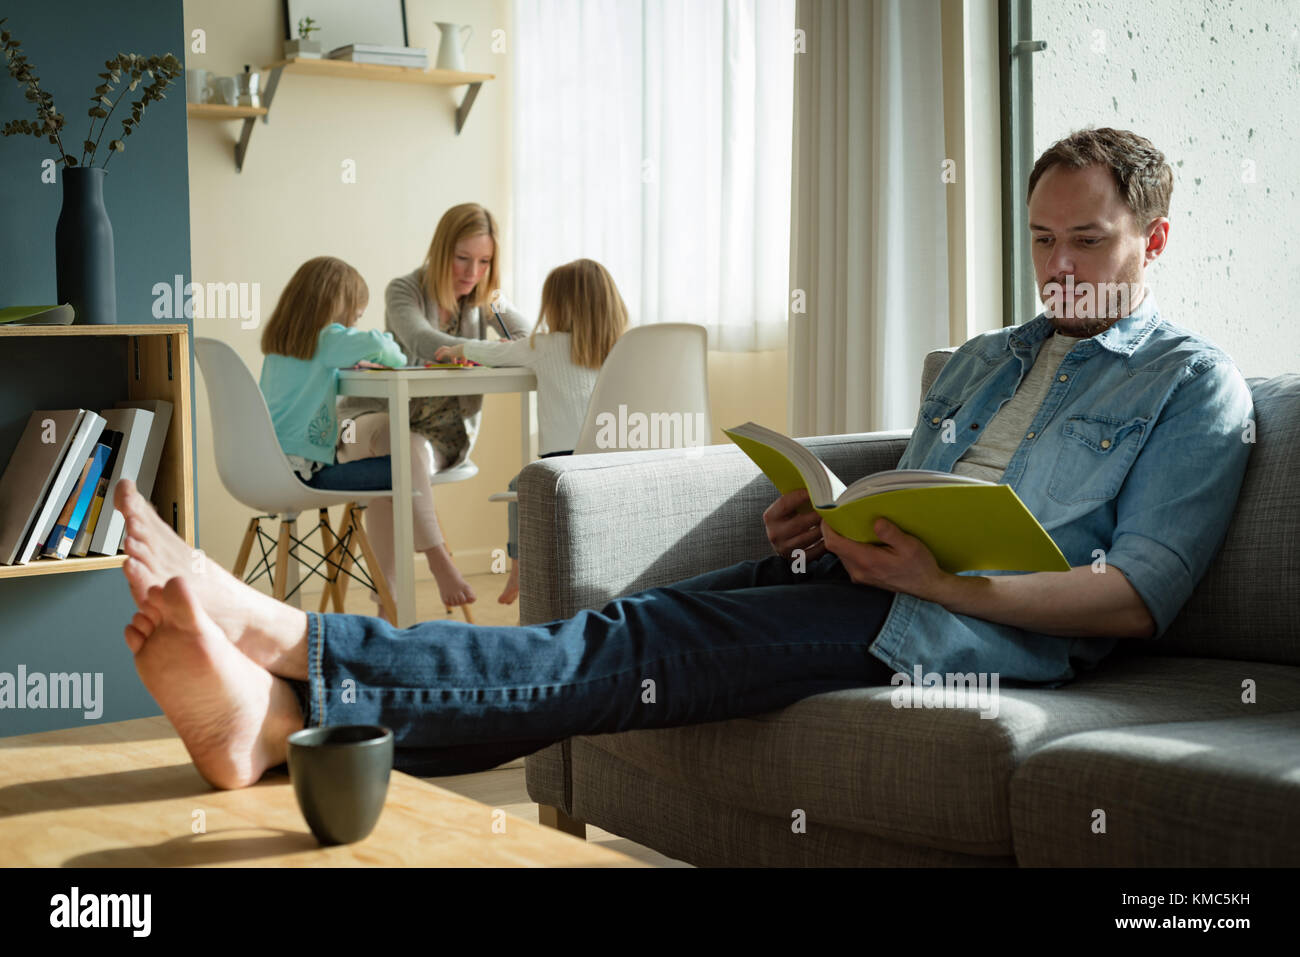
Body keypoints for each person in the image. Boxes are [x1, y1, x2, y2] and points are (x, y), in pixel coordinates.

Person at [119, 127, 1255, 791]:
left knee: (633, 640)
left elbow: (1133, 601)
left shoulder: (1191, 385)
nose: (1056, 267)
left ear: (1153, 238)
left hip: (962, 627)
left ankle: (294, 644)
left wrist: (940, 582)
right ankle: (276, 735)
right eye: (1042, 240)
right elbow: (912, 492)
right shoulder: (983, 358)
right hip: (870, 580)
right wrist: (829, 517)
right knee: (621, 648)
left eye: (1088, 242)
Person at [334, 203, 533, 613]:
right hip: (370, 423)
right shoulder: (404, 289)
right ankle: (439, 560)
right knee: (398, 448)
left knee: (400, 462)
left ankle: (387, 606)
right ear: (442, 252)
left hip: (439, 436)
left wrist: (494, 312)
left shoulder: (485, 298)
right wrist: (476, 350)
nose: (471, 273)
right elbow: (424, 339)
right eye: (463, 259)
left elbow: (528, 340)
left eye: (484, 261)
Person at [257, 257, 452, 626]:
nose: (353, 325)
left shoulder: (280, 345)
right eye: (354, 318)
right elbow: (389, 351)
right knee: (403, 464)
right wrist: (367, 342)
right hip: (306, 475)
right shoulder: (329, 339)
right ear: (339, 307)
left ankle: (388, 592)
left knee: (393, 461)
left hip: (269, 469)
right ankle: (416, 580)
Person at [433, 258, 630, 604]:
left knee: (520, 486)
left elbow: (493, 351)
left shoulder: (544, 346)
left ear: (558, 306)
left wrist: (456, 349)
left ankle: (517, 569)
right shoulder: (625, 348)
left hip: (564, 466)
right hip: (618, 460)